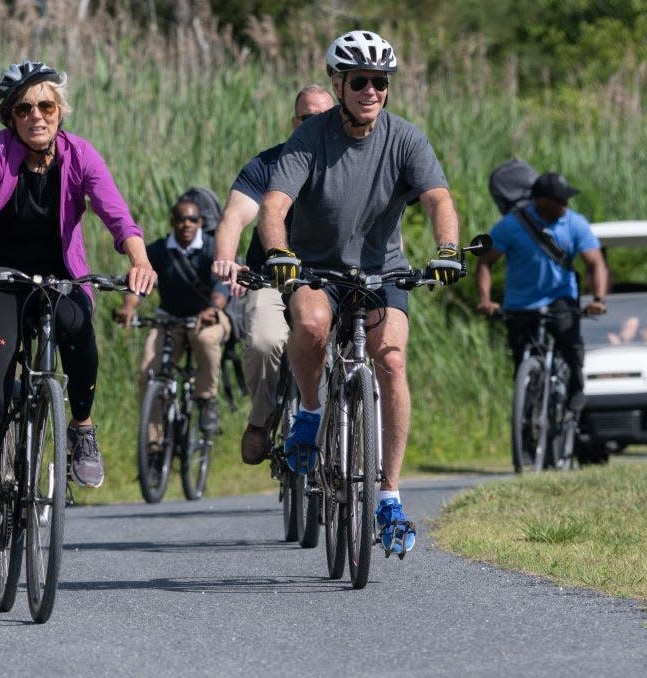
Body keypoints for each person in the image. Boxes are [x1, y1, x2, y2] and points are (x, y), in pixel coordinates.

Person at [0, 60, 156, 574]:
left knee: (81, 334)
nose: (37, 116)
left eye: (46, 106)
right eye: (24, 108)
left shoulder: (78, 154)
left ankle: (80, 425)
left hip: (59, 278)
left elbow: (114, 212)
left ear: (60, 111)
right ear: (9, 116)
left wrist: (139, 259)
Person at [256, 30, 464, 557]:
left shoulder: (405, 139)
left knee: (391, 362)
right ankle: (308, 413)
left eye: (379, 82)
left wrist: (446, 250)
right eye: (360, 82)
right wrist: (280, 253)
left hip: (382, 271)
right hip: (317, 269)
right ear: (338, 84)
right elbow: (275, 204)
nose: (371, 91)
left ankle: (389, 496)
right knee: (309, 325)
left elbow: (439, 198)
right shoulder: (310, 138)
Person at [212, 84, 335, 464]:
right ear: (294, 122)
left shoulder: (346, 164)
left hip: (330, 278)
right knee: (264, 341)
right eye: (306, 118)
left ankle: (349, 432)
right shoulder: (267, 165)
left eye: (323, 117)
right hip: (272, 278)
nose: (313, 124)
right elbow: (235, 214)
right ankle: (262, 420)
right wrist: (226, 258)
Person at [476, 172, 608, 419]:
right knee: (521, 362)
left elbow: (595, 263)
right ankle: (527, 423)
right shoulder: (511, 225)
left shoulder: (575, 223)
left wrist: (598, 299)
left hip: (560, 299)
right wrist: (485, 300)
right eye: (560, 200)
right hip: (520, 304)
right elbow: (485, 263)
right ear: (541, 201)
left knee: (569, 344)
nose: (565, 205)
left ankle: (576, 388)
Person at [114, 197, 231, 432]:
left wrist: (213, 308)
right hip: (169, 319)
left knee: (206, 340)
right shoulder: (158, 250)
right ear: (172, 222)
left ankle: (206, 400)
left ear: (200, 223)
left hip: (206, 317)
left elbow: (222, 285)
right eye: (181, 219)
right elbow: (140, 283)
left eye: (192, 219)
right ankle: (154, 449)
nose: (186, 224)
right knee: (149, 373)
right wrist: (129, 306)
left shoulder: (211, 247)